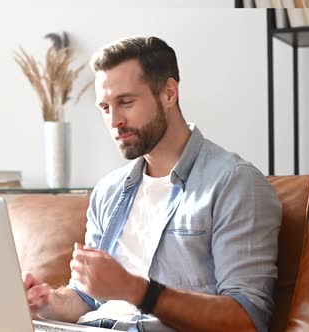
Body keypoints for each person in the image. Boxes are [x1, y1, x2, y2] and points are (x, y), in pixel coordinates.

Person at [23, 36, 282, 332]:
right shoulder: (108, 191)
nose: (114, 121)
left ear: (169, 93)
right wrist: (47, 302)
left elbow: (247, 319)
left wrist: (136, 290)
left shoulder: (234, 183)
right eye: (105, 108)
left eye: (126, 102)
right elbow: (85, 297)